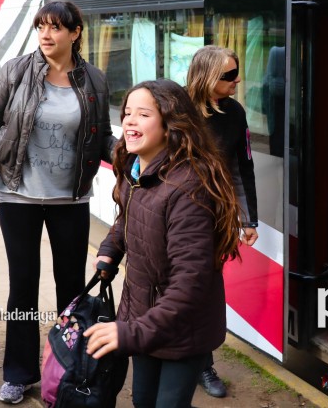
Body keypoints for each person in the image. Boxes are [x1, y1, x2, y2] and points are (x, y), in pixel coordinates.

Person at [0, 0, 116, 405]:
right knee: (23, 285)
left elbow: (102, 139)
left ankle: (66, 367)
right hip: (18, 194)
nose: (46, 35)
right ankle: (19, 372)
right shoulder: (15, 72)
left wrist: (135, 156)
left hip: (71, 198)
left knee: (71, 289)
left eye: (55, 28)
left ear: (75, 32)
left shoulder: (94, 81)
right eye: (41, 27)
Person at [85, 79, 243, 408]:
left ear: (171, 123)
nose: (129, 120)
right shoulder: (137, 168)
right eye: (127, 113)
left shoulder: (188, 186)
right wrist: (110, 251)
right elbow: (130, 218)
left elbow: (191, 279)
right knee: (143, 400)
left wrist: (129, 332)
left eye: (143, 114)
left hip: (182, 326)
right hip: (144, 315)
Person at [185, 45, 258, 398]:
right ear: (207, 76)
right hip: (172, 217)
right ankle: (168, 353)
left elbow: (243, 167)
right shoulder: (175, 111)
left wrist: (248, 219)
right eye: (229, 75)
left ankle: (203, 364)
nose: (237, 80)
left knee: (207, 291)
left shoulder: (235, 113)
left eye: (237, 71)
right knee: (171, 288)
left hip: (215, 218)